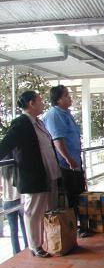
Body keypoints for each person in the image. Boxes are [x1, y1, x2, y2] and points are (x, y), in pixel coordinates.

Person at [0, 91, 61, 258]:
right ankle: (36, 246)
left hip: (48, 174)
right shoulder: (21, 123)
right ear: (31, 103)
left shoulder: (38, 123)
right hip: (33, 175)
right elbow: (6, 144)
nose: (43, 103)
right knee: (33, 211)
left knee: (47, 210)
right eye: (40, 100)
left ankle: (50, 241)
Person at [43, 85, 90, 238]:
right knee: (70, 196)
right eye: (66, 95)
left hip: (75, 162)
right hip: (65, 164)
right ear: (58, 99)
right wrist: (69, 159)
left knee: (78, 194)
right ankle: (72, 227)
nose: (70, 98)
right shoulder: (55, 115)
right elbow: (58, 140)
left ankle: (81, 226)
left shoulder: (66, 114)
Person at [1, 154, 28, 255]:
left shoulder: (2, 169)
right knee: (25, 226)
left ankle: (16, 253)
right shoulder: (17, 167)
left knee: (13, 230)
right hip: (20, 199)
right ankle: (28, 248)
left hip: (7, 201)